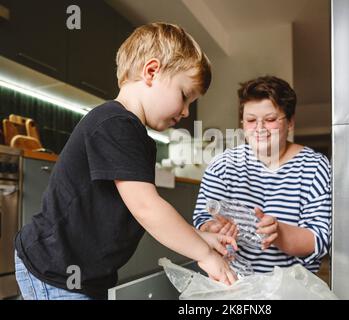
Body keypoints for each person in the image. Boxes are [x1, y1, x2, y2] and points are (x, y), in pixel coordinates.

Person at [14, 22, 237, 300]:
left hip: (84, 274)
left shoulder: (132, 132)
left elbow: (140, 209)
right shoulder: (116, 122)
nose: (185, 112)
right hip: (55, 268)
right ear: (152, 71)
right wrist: (204, 254)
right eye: (184, 96)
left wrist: (198, 238)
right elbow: (146, 207)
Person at [193, 76, 332, 274]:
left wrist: (278, 233)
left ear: (290, 122)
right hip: (234, 286)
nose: (259, 129)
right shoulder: (222, 166)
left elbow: (319, 239)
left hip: (292, 289)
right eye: (250, 120)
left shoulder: (315, 167)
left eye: (270, 120)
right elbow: (202, 222)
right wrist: (213, 229)